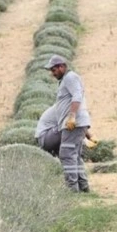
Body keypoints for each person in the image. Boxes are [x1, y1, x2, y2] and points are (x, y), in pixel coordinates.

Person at [45, 55, 91, 193]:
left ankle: (72, 188)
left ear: (62, 66)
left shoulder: (70, 77)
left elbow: (77, 96)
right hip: (74, 123)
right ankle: (83, 186)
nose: (53, 73)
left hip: (73, 124)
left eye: (54, 70)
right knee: (74, 155)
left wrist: (72, 116)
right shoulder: (65, 80)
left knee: (66, 154)